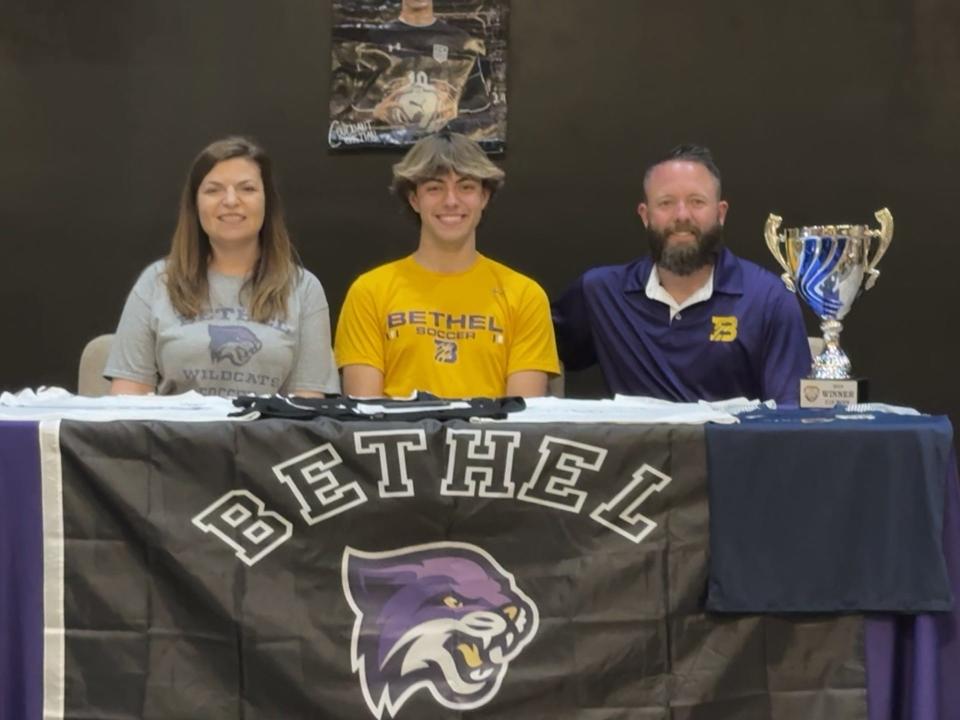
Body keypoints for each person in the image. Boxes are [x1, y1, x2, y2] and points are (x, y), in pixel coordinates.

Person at [551, 144, 810, 404]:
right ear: (645, 215)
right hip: (636, 446)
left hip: (728, 445)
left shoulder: (768, 299)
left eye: (697, 202)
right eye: (666, 203)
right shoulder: (600, 293)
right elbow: (532, 346)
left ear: (721, 214)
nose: (682, 215)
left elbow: (788, 419)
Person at [105, 136, 339, 398]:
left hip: (270, 438)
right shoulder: (157, 282)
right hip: (175, 438)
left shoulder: (303, 288)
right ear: (195, 203)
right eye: (213, 189)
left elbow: (309, 406)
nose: (230, 200)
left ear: (266, 201)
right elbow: (127, 398)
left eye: (246, 189)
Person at [335, 131, 559, 398]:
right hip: (399, 440)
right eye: (434, 188)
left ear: (484, 197)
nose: (451, 201)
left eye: (466, 187)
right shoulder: (369, 292)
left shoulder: (525, 296)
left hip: (489, 441)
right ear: (414, 199)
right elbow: (366, 419)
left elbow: (521, 423)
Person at [330, 0, 491, 140]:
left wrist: (457, 110)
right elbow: (342, 114)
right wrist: (374, 113)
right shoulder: (372, 41)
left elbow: (482, 104)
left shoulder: (461, 42)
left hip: (443, 150)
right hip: (384, 152)